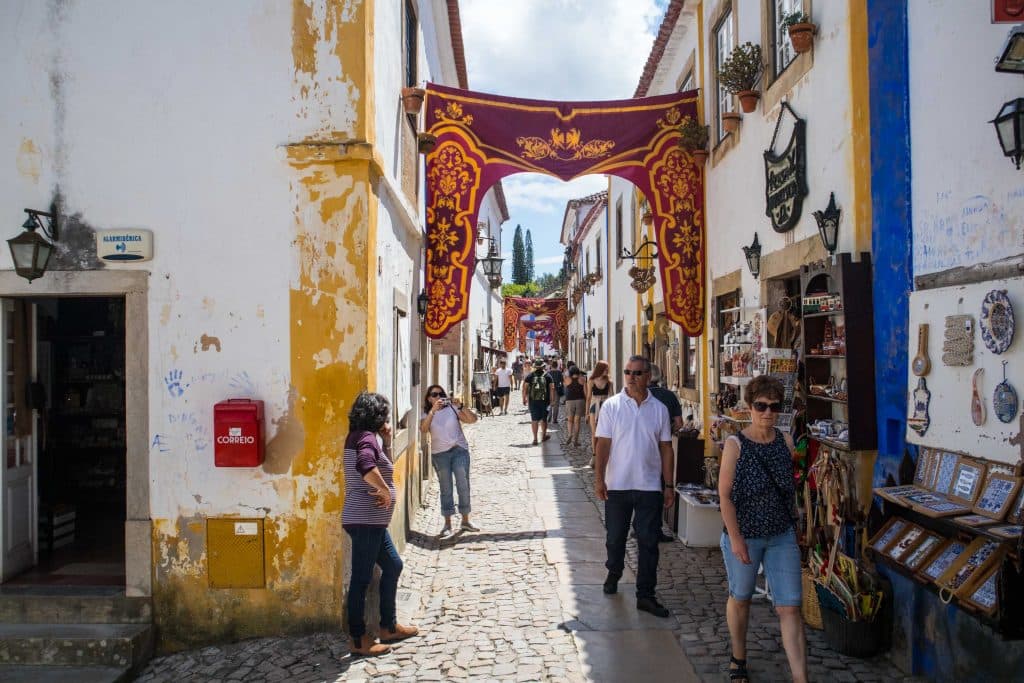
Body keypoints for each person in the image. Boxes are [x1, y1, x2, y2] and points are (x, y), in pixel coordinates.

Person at [718, 375, 806, 683]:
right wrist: (737, 539)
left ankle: (800, 678)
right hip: (745, 534)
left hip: (781, 534)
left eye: (774, 407)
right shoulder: (735, 445)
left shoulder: (785, 441)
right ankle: (738, 657)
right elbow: (725, 495)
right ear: (749, 407)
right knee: (741, 597)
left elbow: (789, 487)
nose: (767, 413)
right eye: (761, 406)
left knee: (790, 606)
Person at [593, 356, 674, 618]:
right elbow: (603, 444)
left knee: (649, 542)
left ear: (648, 376)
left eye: (637, 373)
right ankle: (614, 570)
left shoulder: (659, 409)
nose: (631, 377)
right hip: (617, 485)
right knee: (615, 538)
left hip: (649, 485)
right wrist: (599, 478)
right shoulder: (612, 406)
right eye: (628, 372)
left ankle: (646, 595)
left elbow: (666, 448)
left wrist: (669, 485)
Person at [342, 391, 418, 656]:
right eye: (384, 413)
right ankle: (358, 638)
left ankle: (388, 626)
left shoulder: (366, 437)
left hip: (371, 522)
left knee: (393, 565)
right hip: (364, 521)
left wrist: (385, 442)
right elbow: (366, 466)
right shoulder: (364, 438)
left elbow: (377, 462)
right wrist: (385, 490)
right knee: (361, 580)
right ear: (375, 414)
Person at [420, 385, 479, 538]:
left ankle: (465, 520)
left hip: (459, 450)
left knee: (463, 484)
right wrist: (433, 411)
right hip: (440, 454)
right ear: (428, 398)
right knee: (446, 488)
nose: (438, 397)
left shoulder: (452, 408)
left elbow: (472, 420)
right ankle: (447, 524)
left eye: (441, 394)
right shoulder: (426, 413)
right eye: (434, 394)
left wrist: (461, 406)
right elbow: (423, 429)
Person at [646, 363, 684, 543]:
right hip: (662, 447)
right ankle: (656, 528)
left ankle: (639, 526)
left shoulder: (639, 395)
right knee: (658, 486)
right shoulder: (669, 396)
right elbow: (679, 423)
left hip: (642, 448)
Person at [522, 358, 555, 445]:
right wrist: (552, 400)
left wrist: (524, 398)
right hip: (545, 401)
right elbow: (552, 389)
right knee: (544, 419)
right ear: (543, 366)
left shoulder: (530, 376)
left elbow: (524, 388)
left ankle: (535, 439)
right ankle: (543, 436)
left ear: (535, 366)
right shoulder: (548, 376)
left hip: (533, 400)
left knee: (534, 420)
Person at [586, 360, 614, 462]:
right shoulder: (591, 381)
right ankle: (594, 455)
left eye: (607, 369)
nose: (607, 371)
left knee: (606, 432)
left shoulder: (609, 381)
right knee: (594, 432)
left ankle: (605, 454)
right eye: (605, 369)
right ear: (600, 369)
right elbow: (588, 397)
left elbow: (612, 397)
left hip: (605, 406)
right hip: (595, 406)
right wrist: (586, 413)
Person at [563, 366, 587, 446]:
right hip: (580, 400)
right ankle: (575, 440)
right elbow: (586, 392)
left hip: (569, 400)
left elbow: (565, 387)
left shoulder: (567, 379)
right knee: (577, 421)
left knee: (570, 420)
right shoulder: (582, 379)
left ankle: (570, 434)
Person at [546, 359, 565, 424]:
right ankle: (554, 419)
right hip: (557, 389)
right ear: (557, 365)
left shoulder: (548, 373)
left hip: (550, 390)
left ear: (551, 365)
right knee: (556, 405)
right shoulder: (559, 372)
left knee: (550, 404)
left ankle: (549, 418)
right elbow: (561, 382)